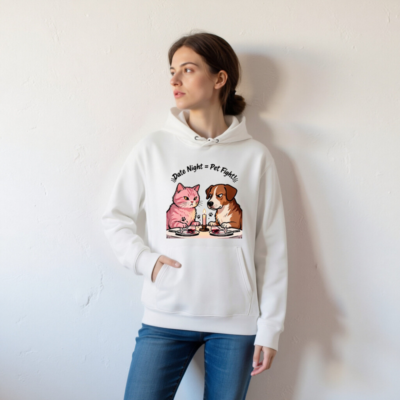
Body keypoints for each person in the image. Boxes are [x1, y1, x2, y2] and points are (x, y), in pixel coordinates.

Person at [101, 31, 288, 400]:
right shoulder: (153, 148)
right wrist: (146, 262)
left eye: (187, 70)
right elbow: (115, 217)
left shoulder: (255, 156)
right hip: (165, 316)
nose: (174, 80)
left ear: (219, 79)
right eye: (172, 71)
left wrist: (271, 328)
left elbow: (273, 248)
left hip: (235, 323)